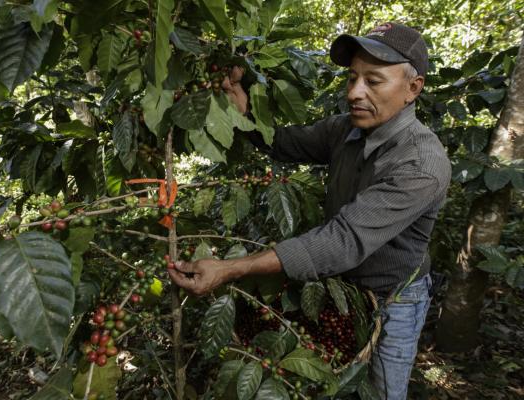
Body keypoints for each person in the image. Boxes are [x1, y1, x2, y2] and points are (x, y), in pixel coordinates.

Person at [168, 22, 451, 400]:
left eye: (374, 81)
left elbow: (342, 241)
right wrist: (244, 107)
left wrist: (232, 267)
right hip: (342, 290)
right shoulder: (345, 130)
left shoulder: (421, 164)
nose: (355, 93)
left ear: (413, 89)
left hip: (393, 299)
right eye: (352, 78)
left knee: (381, 392)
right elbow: (286, 143)